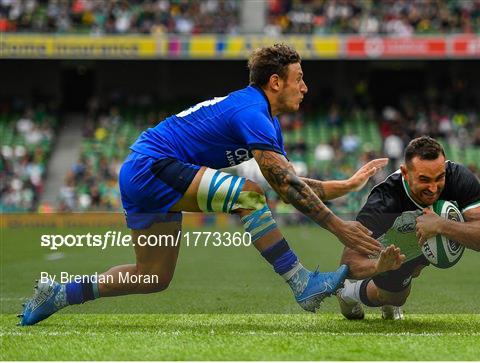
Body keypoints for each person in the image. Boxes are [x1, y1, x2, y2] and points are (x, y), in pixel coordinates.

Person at [19, 44, 385, 326]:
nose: (305, 87)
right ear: (276, 82)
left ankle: (58, 293)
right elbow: (284, 186)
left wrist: (348, 184)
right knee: (247, 195)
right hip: (154, 166)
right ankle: (300, 281)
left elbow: (288, 182)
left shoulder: (264, 120)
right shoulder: (252, 112)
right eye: (299, 78)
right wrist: (340, 228)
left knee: (152, 276)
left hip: (145, 172)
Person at [337, 136, 480, 320]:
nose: (433, 188)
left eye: (439, 178)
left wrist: (441, 225)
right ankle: (349, 292)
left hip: (431, 237)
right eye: (424, 179)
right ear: (405, 173)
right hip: (392, 251)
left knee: (396, 297)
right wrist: (378, 266)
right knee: (394, 298)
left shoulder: (458, 177)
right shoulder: (383, 202)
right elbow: (348, 263)